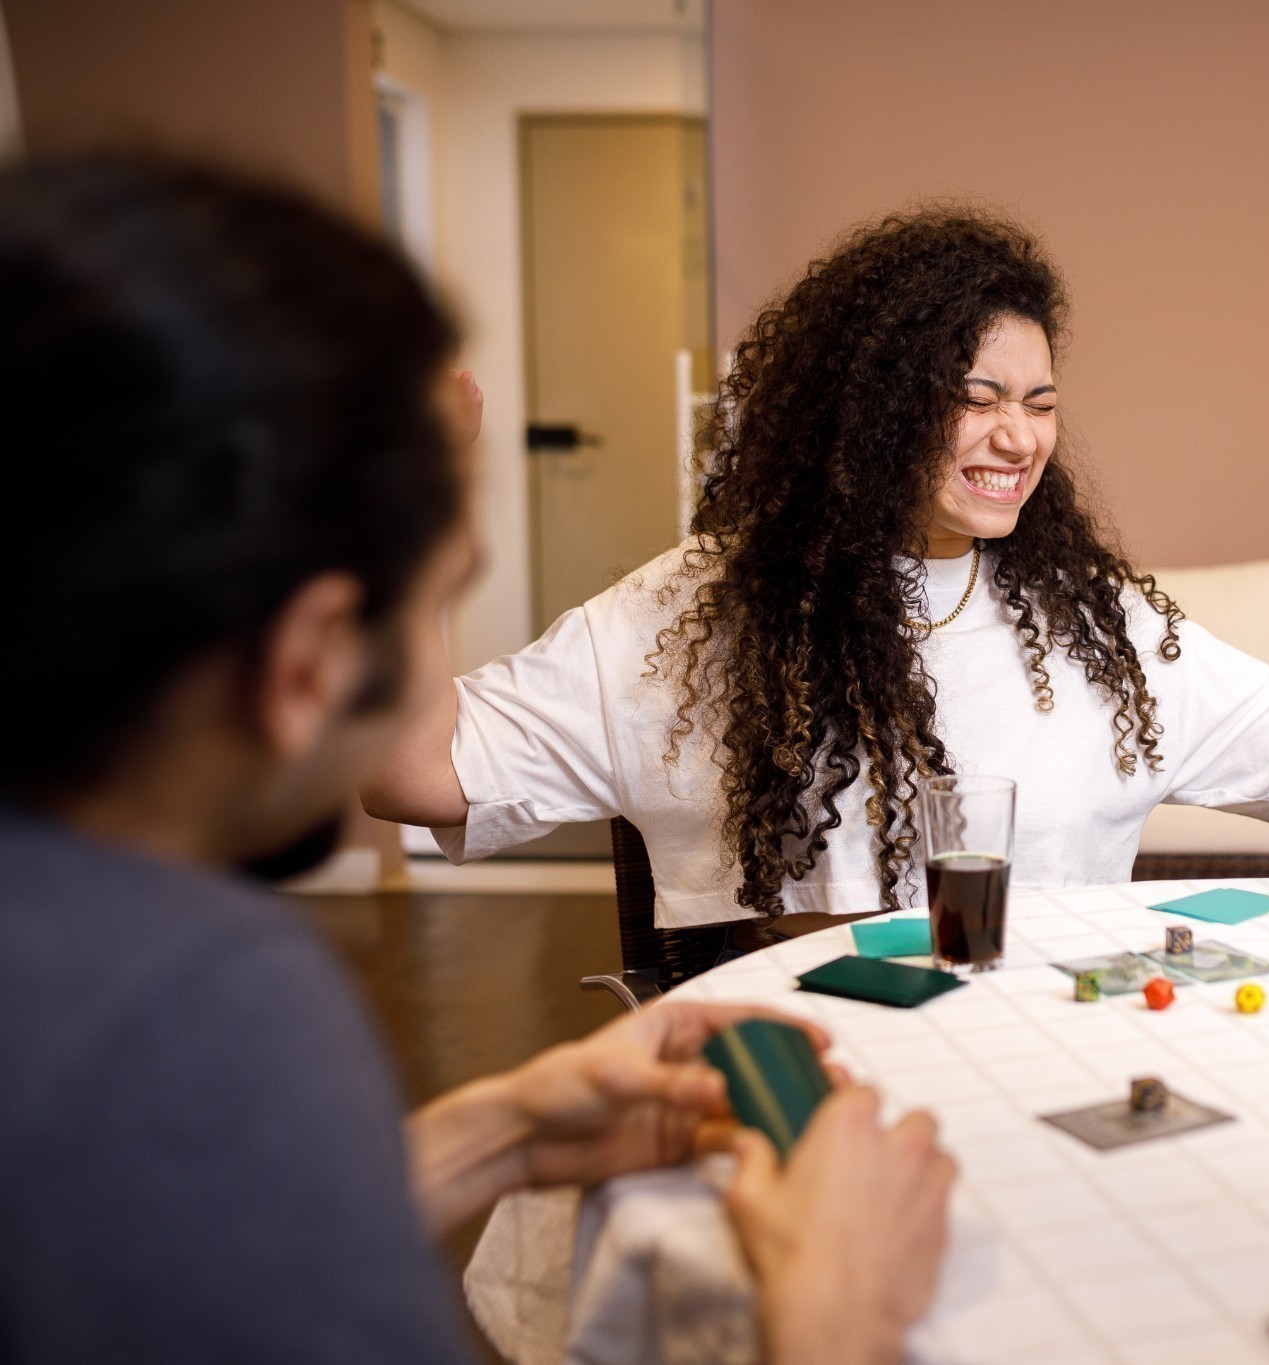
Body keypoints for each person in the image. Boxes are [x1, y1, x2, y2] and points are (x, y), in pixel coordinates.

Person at [0, 156, 953, 1365]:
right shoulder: (196, 1005)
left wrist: (491, 1138)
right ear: (310, 662)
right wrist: (833, 1311)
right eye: (443, 593)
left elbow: (155, 1261)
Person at [363, 210, 1269, 952]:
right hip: (782, 1110)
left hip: (1046, 1081)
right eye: (976, 396)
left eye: (1040, 401)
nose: (1019, 436)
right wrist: (415, 515)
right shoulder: (686, 613)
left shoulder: (1094, 626)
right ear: (871, 407)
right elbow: (412, 775)